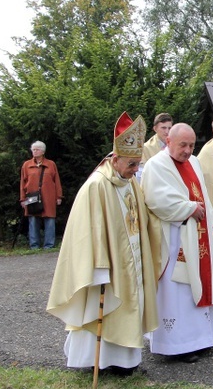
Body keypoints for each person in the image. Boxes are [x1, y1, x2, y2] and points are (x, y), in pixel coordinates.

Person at [47, 112, 160, 375]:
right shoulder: (97, 185)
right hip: (108, 264)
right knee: (106, 308)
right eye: (131, 164)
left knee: (131, 305)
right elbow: (87, 231)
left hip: (131, 259)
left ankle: (125, 361)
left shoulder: (129, 181)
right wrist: (97, 267)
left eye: (137, 165)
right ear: (115, 158)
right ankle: (96, 361)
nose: (135, 171)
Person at [140, 123, 213, 363]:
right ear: (168, 142)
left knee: (198, 284)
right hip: (174, 239)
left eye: (191, 145)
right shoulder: (156, 165)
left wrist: (211, 220)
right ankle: (177, 344)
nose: (187, 150)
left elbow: (203, 194)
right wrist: (188, 208)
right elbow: (156, 199)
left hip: (197, 235)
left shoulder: (194, 162)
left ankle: (202, 338)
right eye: (182, 145)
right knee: (178, 290)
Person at [20, 141, 63, 249]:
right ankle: (34, 246)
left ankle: (49, 245)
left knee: (49, 220)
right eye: (33, 149)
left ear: (43, 151)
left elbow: (56, 181)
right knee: (33, 220)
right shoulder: (26, 165)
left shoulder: (51, 164)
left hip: (48, 196)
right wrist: (22, 199)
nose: (34, 151)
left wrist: (59, 196)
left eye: (37, 149)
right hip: (31, 197)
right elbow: (22, 183)